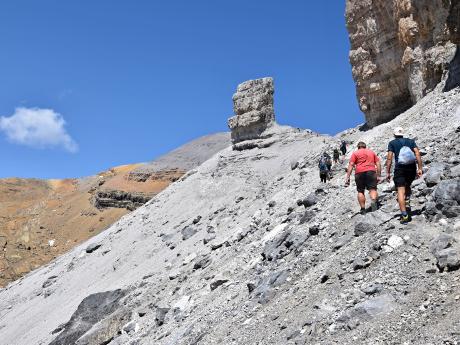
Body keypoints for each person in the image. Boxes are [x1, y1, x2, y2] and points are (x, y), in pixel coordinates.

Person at [386, 127, 423, 224]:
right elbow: (417, 154)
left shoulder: (392, 143)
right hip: (411, 168)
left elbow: (389, 159)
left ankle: (404, 215)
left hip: (400, 168)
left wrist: (388, 172)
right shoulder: (410, 141)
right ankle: (407, 201)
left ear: (394, 134)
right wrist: (419, 168)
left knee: (400, 191)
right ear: (403, 133)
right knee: (408, 185)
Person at [345, 141, 381, 214]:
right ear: (365, 146)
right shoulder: (371, 152)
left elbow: (351, 165)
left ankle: (363, 209)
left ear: (358, 147)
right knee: (372, 189)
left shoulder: (355, 153)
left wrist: (348, 177)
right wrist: (379, 175)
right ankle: (374, 202)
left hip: (359, 172)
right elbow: (378, 163)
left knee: (360, 191)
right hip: (371, 171)